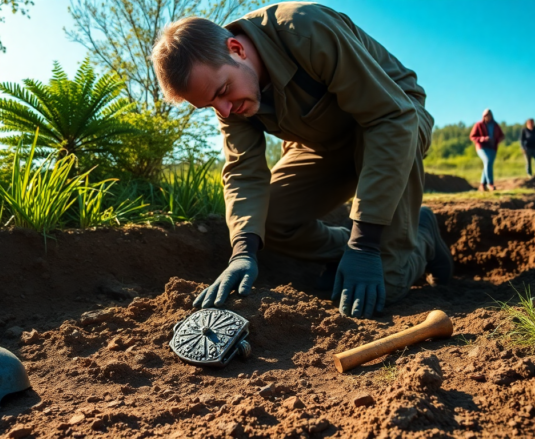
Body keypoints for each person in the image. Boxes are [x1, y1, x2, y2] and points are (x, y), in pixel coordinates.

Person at [151, 2, 453, 320]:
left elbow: (390, 118)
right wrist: (242, 252)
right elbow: (243, 172)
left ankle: (422, 237)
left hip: (394, 123)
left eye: (223, 91)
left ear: (236, 49)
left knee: (383, 287)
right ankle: (348, 251)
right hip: (323, 143)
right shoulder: (228, 100)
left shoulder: (304, 29)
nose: (224, 110)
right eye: (211, 105)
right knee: (266, 223)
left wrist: (365, 245)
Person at [469, 109, 505, 191]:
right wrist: (483, 139)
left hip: (492, 148)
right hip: (482, 147)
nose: (487, 117)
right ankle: (490, 184)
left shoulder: (495, 125)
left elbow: (502, 136)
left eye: (488, 115)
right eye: (485, 115)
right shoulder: (479, 125)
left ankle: (482, 185)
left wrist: (496, 141)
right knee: (487, 161)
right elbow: (472, 136)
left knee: (488, 164)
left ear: (491, 116)